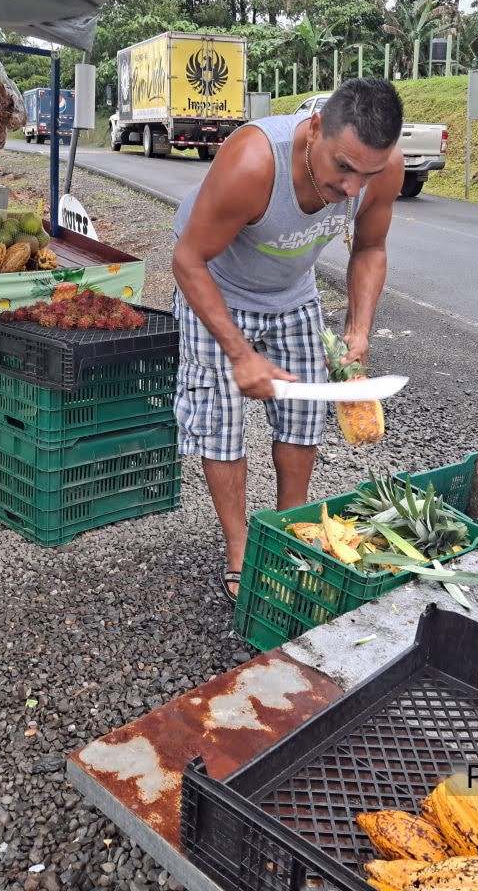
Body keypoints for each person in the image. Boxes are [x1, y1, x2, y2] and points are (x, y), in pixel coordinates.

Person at [171, 77, 405, 602]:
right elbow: (187, 260)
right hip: (217, 288)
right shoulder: (255, 163)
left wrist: (359, 328)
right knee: (220, 425)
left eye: (365, 174)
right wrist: (240, 352)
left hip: (292, 294)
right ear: (315, 128)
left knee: (302, 419)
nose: (351, 188)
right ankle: (240, 548)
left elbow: (371, 248)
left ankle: (287, 529)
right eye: (342, 167)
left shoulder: (381, 169)